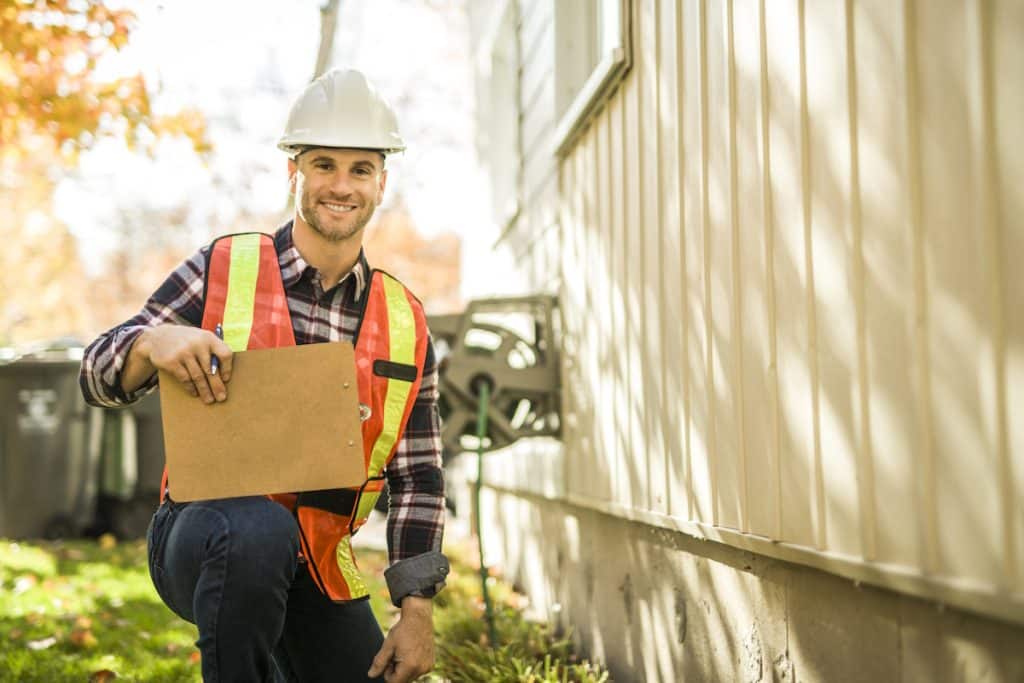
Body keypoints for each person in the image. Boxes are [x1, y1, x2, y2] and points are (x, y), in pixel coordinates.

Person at [79, 68, 449, 683]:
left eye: (360, 169)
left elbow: (419, 475)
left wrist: (416, 610)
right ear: (293, 172)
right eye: (323, 164)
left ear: (381, 184)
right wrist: (152, 340)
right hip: (205, 534)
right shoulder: (223, 268)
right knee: (255, 530)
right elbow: (95, 373)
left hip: (320, 558)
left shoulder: (404, 320)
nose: (341, 185)